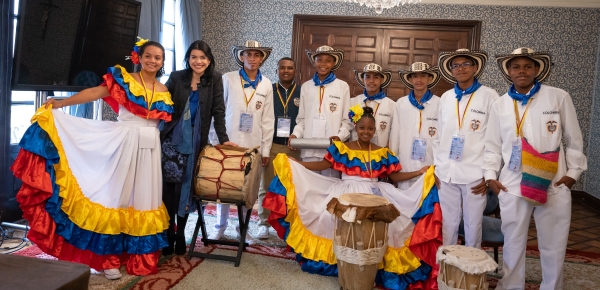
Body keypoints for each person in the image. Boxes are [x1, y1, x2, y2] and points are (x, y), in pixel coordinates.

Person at [12, 39, 173, 279]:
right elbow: (95, 93)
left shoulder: (164, 90)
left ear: (162, 62)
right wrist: (62, 103)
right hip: (125, 143)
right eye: (148, 55)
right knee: (116, 198)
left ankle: (138, 257)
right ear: (139, 57)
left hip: (150, 150)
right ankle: (108, 259)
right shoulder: (124, 80)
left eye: (157, 57)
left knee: (143, 201)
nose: (152, 60)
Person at [263, 105, 442, 289]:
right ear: (355, 127)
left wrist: (419, 173)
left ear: (375, 130)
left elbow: (395, 177)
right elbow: (322, 165)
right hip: (345, 191)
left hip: (375, 192)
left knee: (392, 225)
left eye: (370, 128)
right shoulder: (343, 148)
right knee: (327, 218)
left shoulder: (382, 152)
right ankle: (341, 260)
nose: (366, 132)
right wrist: (298, 164)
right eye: (362, 127)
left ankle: (373, 263)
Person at [484, 48, 587, 290]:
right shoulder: (500, 104)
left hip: (553, 183)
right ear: (508, 71)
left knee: (553, 242)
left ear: (537, 69)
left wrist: (573, 173)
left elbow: (574, 139)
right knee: (513, 241)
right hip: (512, 184)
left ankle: (552, 286)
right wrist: (490, 177)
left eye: (527, 66)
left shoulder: (558, 97)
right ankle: (511, 286)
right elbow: (492, 146)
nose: (522, 71)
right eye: (516, 66)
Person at [161, 40, 236, 255]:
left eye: (202, 57)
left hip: (196, 142)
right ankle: (168, 234)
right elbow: (162, 102)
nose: (198, 61)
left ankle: (180, 235)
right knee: (169, 189)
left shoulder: (215, 79)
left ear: (209, 60)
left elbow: (218, 111)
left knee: (186, 188)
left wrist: (223, 139)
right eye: (194, 57)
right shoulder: (176, 77)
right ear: (188, 59)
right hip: (171, 141)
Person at [209, 40, 274, 242]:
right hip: (229, 143)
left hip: (252, 145)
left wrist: (265, 151)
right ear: (241, 57)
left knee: (248, 189)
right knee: (225, 185)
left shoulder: (266, 84)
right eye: (248, 54)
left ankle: (243, 229)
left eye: (256, 55)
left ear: (262, 59)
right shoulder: (228, 79)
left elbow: (268, 119)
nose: (252, 59)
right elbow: (218, 112)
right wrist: (216, 141)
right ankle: (220, 226)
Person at [434, 48, 499, 248]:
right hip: (446, 173)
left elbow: (496, 139)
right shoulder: (445, 98)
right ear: (451, 70)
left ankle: (471, 273)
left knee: (473, 226)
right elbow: (438, 136)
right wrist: (436, 167)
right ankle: (445, 271)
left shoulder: (490, 96)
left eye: (465, 64)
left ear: (475, 67)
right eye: (456, 65)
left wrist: (489, 175)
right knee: (448, 224)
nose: (460, 69)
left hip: (475, 175)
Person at [288, 45, 353, 177]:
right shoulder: (306, 87)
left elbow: (347, 120)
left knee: (330, 189)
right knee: (309, 188)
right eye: (319, 60)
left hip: (330, 149)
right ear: (314, 62)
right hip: (308, 148)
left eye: (328, 60)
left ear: (333, 63)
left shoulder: (342, 86)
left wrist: (340, 137)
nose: (323, 64)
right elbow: (301, 119)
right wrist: (296, 134)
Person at [256, 57, 302, 240]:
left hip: (294, 147)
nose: (286, 71)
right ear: (276, 71)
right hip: (272, 144)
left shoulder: (302, 92)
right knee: (265, 185)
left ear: (295, 71)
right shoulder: (268, 90)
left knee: (292, 187)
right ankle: (263, 223)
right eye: (282, 68)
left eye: (290, 68)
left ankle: (290, 223)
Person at [390, 62, 441, 190]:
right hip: (405, 167)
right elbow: (395, 135)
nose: (419, 80)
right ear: (410, 79)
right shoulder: (401, 104)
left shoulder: (440, 103)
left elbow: (443, 138)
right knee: (405, 207)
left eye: (423, 76)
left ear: (430, 78)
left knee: (429, 206)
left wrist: (439, 166)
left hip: (431, 168)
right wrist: (393, 166)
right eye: (415, 76)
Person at [349, 63, 394, 148]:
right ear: (363, 80)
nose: (371, 81)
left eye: (376, 77)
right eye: (368, 77)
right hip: (355, 155)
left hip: (379, 156)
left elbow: (394, 133)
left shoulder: (392, 106)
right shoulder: (352, 102)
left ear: (382, 80)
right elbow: (347, 127)